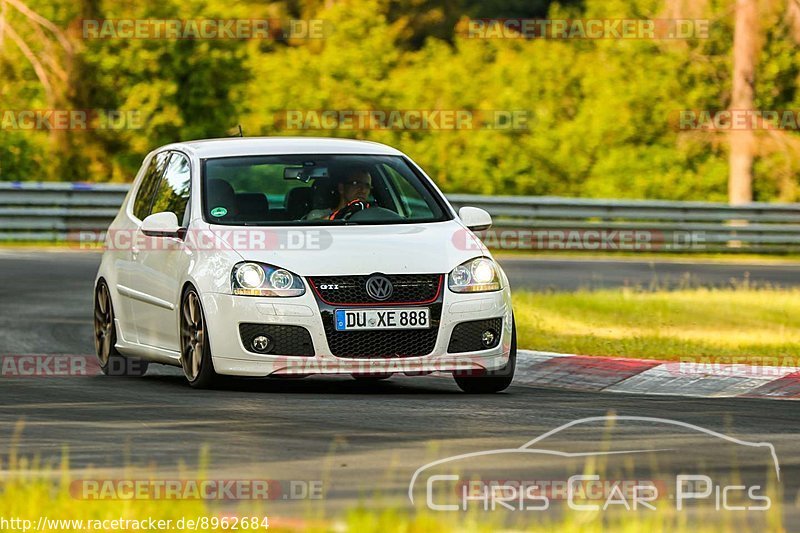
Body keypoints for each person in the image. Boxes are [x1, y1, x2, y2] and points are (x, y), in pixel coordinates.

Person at [304, 168, 373, 220]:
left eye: (367, 186)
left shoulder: (373, 216)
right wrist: (344, 212)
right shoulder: (318, 214)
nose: (363, 190)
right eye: (356, 183)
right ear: (341, 188)